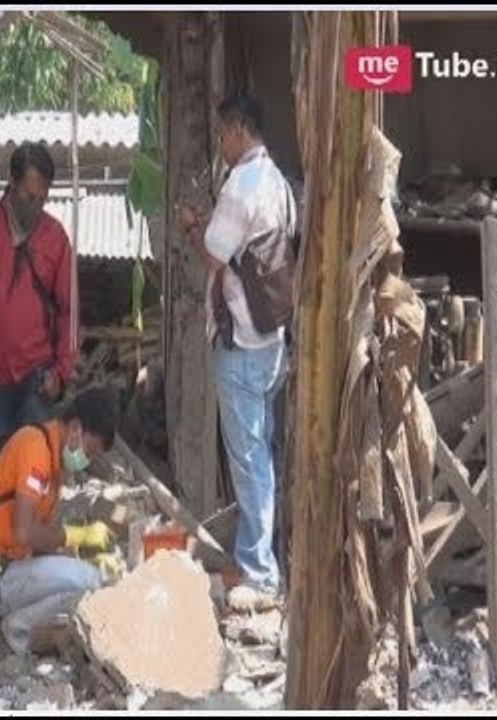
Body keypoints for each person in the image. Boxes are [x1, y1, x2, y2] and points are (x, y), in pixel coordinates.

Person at [176, 93, 296, 611]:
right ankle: (262, 561)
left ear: (240, 129)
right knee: (262, 453)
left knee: (249, 461)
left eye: (224, 133)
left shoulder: (242, 184)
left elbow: (215, 254)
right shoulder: (278, 183)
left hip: (242, 343)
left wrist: (189, 227)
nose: (221, 143)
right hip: (272, 340)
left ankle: (259, 572)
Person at [0, 387, 121, 655]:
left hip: (10, 568)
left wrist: (77, 553)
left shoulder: (52, 459)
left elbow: (39, 540)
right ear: (75, 428)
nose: (88, 460)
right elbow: (23, 533)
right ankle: (12, 635)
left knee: (85, 582)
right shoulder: (35, 450)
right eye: (91, 450)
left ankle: (16, 629)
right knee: (88, 581)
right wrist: (78, 536)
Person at [0, 141, 75, 456]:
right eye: (28, 197)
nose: (34, 208)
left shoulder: (55, 237)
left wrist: (60, 372)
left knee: (33, 472)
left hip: (37, 377)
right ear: (12, 183)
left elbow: (68, 313)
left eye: (42, 200)